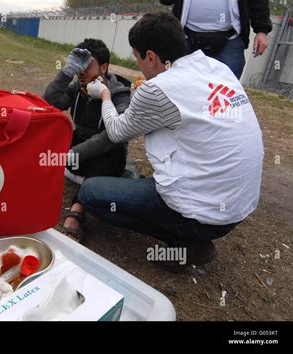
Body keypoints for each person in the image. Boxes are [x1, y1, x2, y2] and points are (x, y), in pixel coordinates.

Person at [82, 12, 264, 271]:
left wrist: (105, 95)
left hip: (207, 213)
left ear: (152, 57)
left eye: (136, 57)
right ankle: (191, 232)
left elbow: (115, 131)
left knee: (91, 193)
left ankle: (184, 244)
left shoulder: (157, 89)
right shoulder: (216, 68)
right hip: (237, 205)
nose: (138, 63)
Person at [43, 39, 131, 242]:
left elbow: (113, 136)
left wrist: (73, 154)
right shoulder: (77, 87)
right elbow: (50, 104)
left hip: (103, 156)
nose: (81, 71)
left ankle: (77, 209)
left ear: (104, 67)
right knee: (52, 134)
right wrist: (65, 73)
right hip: (78, 151)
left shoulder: (120, 94)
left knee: (114, 150)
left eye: (87, 65)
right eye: (79, 64)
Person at [159, 0, 272, 78]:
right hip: (186, 37)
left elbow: (259, 2)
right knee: (180, 87)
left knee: (227, 92)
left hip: (230, 40)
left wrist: (262, 30)